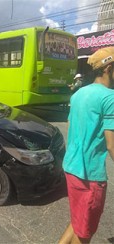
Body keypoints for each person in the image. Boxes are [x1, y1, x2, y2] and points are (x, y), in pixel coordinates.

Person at [59, 46, 114, 244]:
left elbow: (71, 125)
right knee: (84, 234)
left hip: (71, 168)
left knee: (78, 219)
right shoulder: (110, 98)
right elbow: (111, 145)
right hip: (90, 175)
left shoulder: (78, 94)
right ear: (108, 69)